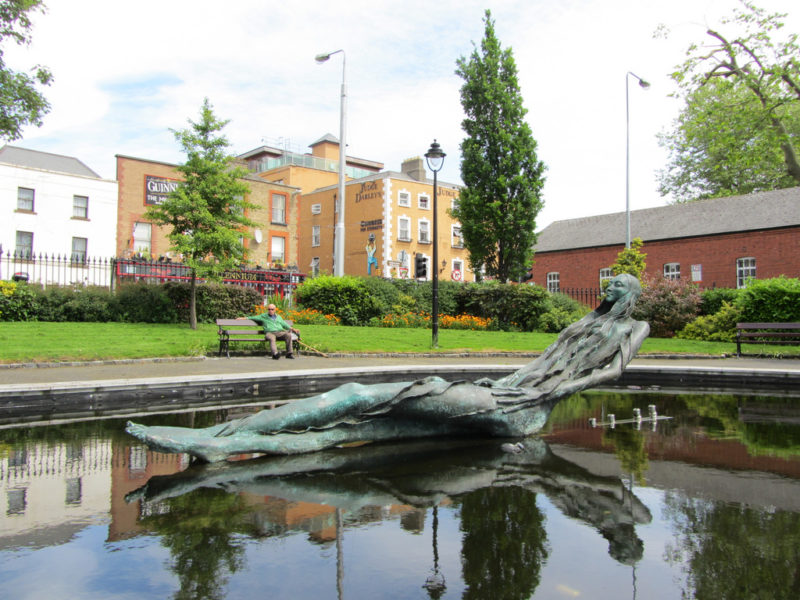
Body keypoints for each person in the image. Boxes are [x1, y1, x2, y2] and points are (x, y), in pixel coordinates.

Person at [127, 274, 649, 462]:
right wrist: (517, 383)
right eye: (609, 287)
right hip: (508, 395)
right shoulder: (587, 321)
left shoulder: (633, 329)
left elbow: (612, 375)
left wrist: (542, 395)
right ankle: (222, 442)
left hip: (515, 409)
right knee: (352, 432)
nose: (608, 293)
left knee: (357, 394)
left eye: (618, 289)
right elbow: (546, 359)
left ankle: (224, 434)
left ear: (633, 297)